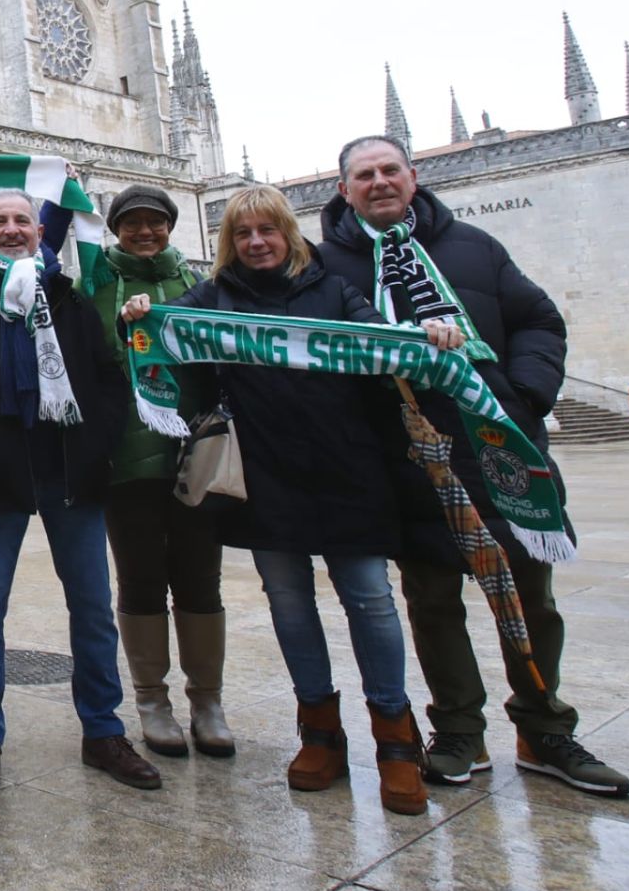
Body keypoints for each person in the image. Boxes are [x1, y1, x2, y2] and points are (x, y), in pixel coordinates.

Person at [320, 134, 629, 796]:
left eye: (389, 170)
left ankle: (545, 728)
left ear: (413, 175)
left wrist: (524, 396)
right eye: (363, 174)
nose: (379, 182)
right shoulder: (328, 267)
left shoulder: (473, 248)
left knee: (530, 600)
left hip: (500, 451)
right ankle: (458, 729)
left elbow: (539, 319)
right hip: (409, 462)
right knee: (433, 602)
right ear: (343, 188)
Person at [130, 184, 449, 817]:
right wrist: (140, 311)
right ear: (230, 242)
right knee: (289, 602)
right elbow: (169, 335)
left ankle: (394, 739)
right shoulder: (215, 295)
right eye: (243, 233)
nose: (256, 243)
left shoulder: (334, 289)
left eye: (267, 231)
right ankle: (319, 732)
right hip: (266, 471)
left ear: (288, 234)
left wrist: (427, 335)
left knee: (371, 600)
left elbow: (381, 345)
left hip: (345, 467)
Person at [0, 188, 158, 795]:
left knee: (93, 609)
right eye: (0, 222)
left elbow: (105, 380)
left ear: (40, 232)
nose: (12, 230)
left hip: (71, 473)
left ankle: (102, 730)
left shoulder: (68, 304)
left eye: (23, 220)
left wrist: (95, 445)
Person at [46, 180, 232, 759]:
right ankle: (152, 701)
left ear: (172, 226)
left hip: (194, 457)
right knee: (141, 578)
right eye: (132, 223)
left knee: (201, 580)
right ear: (114, 229)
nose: (144, 232)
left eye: (155, 222)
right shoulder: (94, 288)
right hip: (126, 460)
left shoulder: (200, 285)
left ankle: (208, 701)